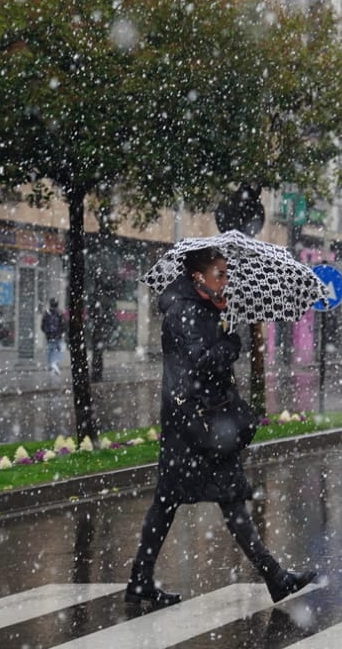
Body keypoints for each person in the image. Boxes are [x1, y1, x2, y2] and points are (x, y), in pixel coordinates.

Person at [127, 247, 317, 608]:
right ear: (198, 276)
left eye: (226, 274)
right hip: (195, 427)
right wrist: (230, 343)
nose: (225, 281)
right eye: (220, 274)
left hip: (200, 424)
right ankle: (274, 577)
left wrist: (224, 328)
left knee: (192, 502)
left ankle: (141, 579)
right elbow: (199, 363)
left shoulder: (201, 309)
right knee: (190, 502)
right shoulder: (185, 312)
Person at [41, 299, 64, 375]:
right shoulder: (59, 313)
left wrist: (47, 332)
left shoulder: (46, 313)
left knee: (50, 350)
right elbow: (63, 325)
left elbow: (42, 326)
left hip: (49, 336)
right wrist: (61, 332)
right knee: (59, 349)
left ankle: (51, 364)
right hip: (57, 336)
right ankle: (55, 363)